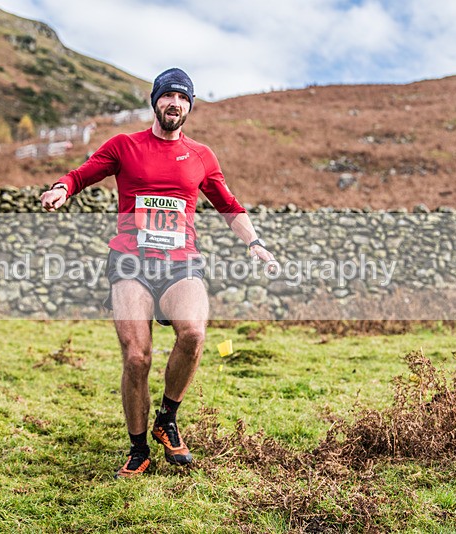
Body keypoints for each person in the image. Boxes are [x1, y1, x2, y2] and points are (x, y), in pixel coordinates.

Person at [40, 67, 275, 478]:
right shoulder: (125, 146)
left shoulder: (201, 155)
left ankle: (167, 419)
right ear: (155, 101)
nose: (175, 104)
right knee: (137, 356)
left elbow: (228, 205)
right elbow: (82, 173)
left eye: (183, 98)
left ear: (189, 106)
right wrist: (61, 188)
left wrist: (253, 241)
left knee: (194, 333)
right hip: (130, 262)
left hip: (181, 261)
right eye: (168, 96)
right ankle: (138, 450)